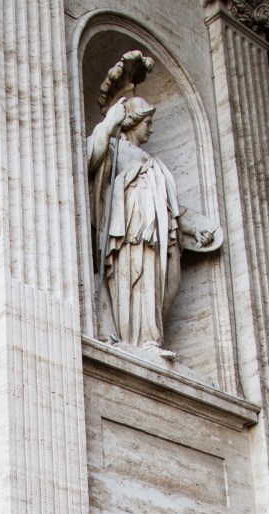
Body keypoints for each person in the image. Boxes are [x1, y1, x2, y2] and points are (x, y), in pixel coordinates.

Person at [88, 93, 219, 357]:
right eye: (148, 122)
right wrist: (109, 123)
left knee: (161, 284)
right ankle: (140, 340)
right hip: (130, 234)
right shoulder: (116, 150)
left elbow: (173, 209)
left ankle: (152, 337)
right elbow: (89, 156)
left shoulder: (154, 163)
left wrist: (195, 228)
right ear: (133, 123)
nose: (152, 128)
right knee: (135, 278)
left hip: (159, 237)